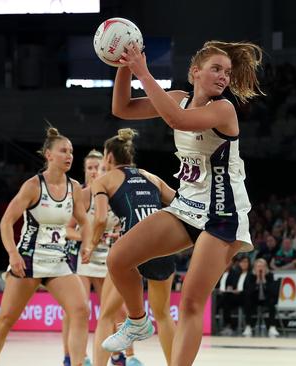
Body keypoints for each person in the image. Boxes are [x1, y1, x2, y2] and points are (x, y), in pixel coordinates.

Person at [102, 40, 263, 366]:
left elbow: (176, 120)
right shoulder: (178, 97)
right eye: (216, 69)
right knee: (118, 258)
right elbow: (122, 109)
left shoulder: (223, 109)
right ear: (194, 72)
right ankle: (136, 321)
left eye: (228, 72)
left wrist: (142, 70)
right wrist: (122, 66)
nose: (223, 77)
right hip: (186, 205)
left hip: (223, 212)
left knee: (190, 303)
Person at [0, 127, 93, 366]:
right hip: (28, 261)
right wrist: (12, 254)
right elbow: (6, 222)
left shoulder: (74, 187)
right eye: (63, 150)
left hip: (58, 262)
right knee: (5, 319)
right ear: (48, 155)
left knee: (81, 311)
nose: (69, 156)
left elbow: (84, 220)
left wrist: (88, 243)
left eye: (71, 151)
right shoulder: (33, 186)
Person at [92, 129, 177, 366]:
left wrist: (90, 244)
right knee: (163, 315)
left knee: (107, 315)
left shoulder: (104, 180)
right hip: (162, 247)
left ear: (108, 157)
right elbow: (180, 205)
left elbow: (99, 219)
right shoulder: (151, 177)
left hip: (133, 251)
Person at [61, 150, 114, 366]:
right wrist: (89, 238)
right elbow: (68, 230)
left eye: (98, 167)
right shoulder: (82, 195)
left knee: (109, 310)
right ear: (84, 171)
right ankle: (71, 356)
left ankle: (113, 355)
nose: (94, 171)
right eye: (90, 167)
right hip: (82, 258)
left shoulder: (111, 193)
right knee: (78, 309)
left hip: (106, 258)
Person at [242, 258, 280, 338]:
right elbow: (248, 291)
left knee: (272, 302)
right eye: (258, 266)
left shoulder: (270, 275)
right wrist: (257, 282)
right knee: (247, 302)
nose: (260, 268)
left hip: (266, 299)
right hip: (254, 299)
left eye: (262, 266)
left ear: (266, 267)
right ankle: (248, 326)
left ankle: (272, 327)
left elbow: (273, 291)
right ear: (254, 268)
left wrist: (264, 281)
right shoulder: (250, 275)